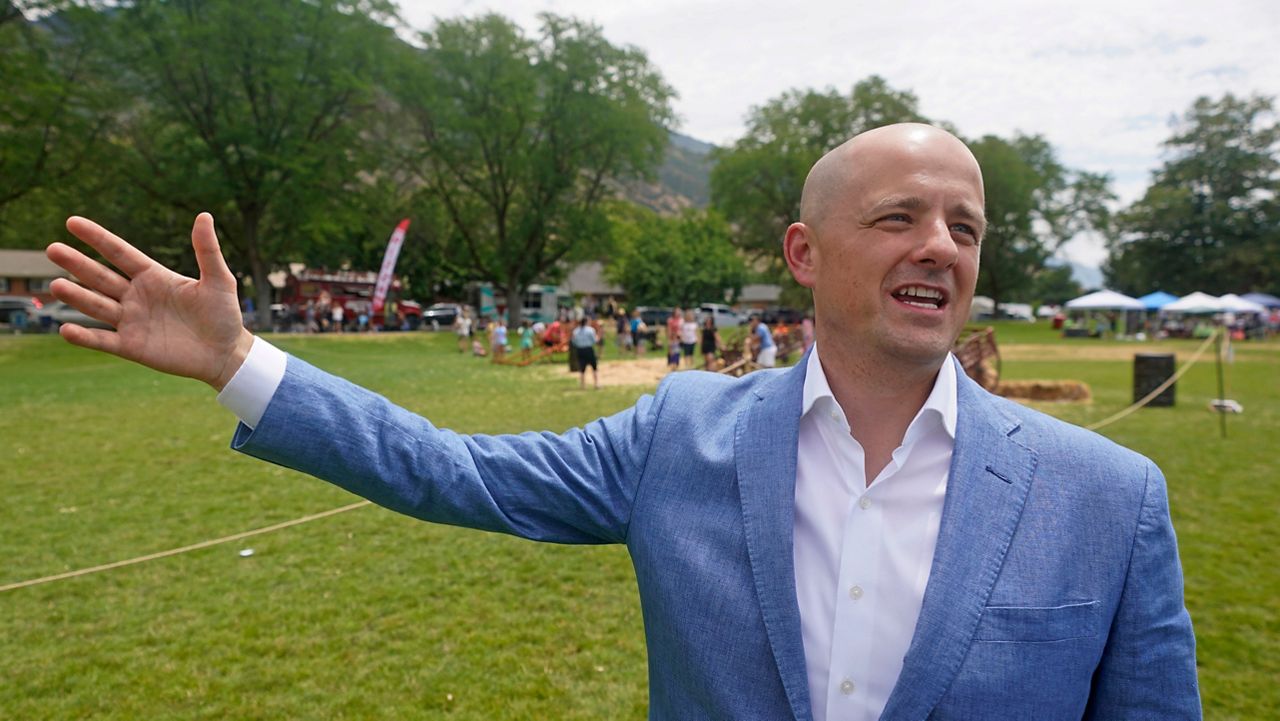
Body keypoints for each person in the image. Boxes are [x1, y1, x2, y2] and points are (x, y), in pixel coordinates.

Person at [44, 123, 1199, 720]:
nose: (938, 246)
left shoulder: (1107, 495)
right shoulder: (678, 435)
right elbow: (449, 470)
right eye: (898, 215)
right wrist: (240, 363)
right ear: (803, 254)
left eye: (964, 225)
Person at [569, 317, 599, 390]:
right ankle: (596, 385)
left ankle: (583, 386)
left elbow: (574, 342)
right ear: (586, 322)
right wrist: (598, 337)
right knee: (594, 367)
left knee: (582, 368)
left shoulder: (576, 331)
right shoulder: (590, 330)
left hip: (580, 350)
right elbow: (594, 341)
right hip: (589, 350)